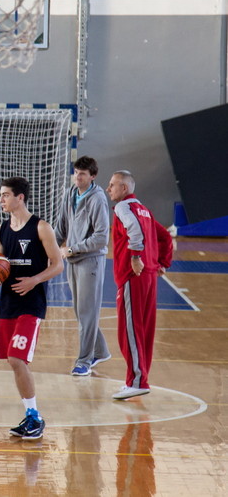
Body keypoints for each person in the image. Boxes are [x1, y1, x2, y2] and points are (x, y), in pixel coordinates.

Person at [0, 176, 63, 440]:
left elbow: (58, 264)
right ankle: (30, 416)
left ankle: (35, 417)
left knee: (16, 358)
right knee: (13, 362)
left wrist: (34, 280)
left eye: (6, 195)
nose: (1, 200)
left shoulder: (41, 227)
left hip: (32, 303)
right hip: (8, 302)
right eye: (1, 195)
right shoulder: (1, 230)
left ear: (20, 197)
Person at [106, 170, 172, 400]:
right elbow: (165, 237)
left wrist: (135, 257)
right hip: (149, 277)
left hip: (133, 276)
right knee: (143, 331)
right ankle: (137, 378)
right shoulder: (145, 210)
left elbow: (135, 232)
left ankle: (137, 380)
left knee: (129, 331)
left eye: (112, 184)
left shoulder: (125, 208)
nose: (108, 188)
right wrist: (163, 261)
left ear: (124, 189)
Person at [54, 156, 112, 377]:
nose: (77, 177)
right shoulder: (70, 194)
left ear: (93, 176)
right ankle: (101, 350)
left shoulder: (97, 199)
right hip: (72, 259)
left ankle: (85, 360)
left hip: (91, 260)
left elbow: (101, 238)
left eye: (82, 174)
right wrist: (51, 248)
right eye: (76, 172)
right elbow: (61, 226)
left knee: (87, 312)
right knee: (80, 311)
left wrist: (72, 248)